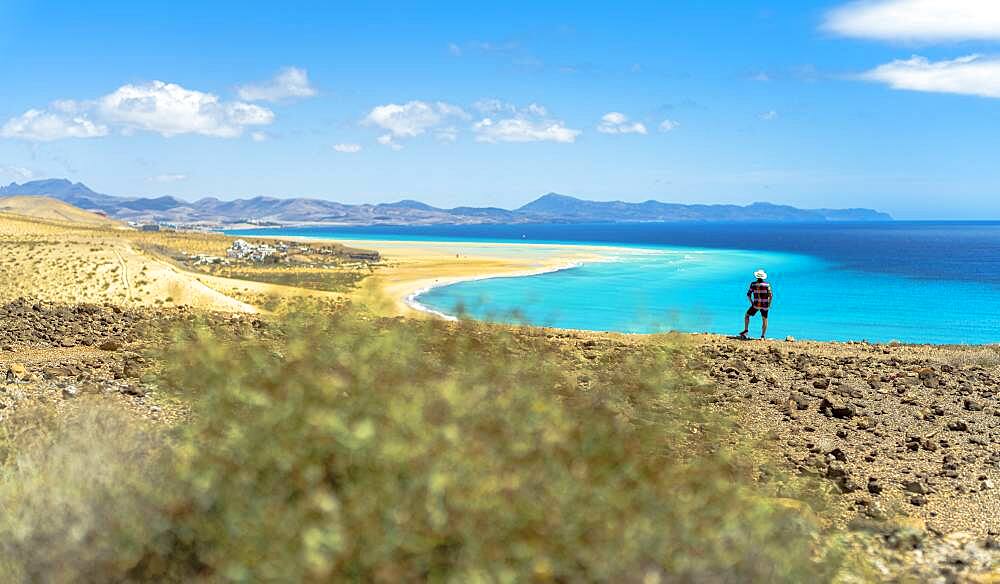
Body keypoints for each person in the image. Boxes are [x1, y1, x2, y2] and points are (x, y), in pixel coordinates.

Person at [740, 269, 772, 340]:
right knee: (764, 320)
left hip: (756, 305)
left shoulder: (753, 284)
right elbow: (771, 295)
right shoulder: (767, 285)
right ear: (763, 277)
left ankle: (746, 330)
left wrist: (752, 303)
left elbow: (748, 295)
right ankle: (762, 336)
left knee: (747, 315)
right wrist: (769, 304)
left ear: (757, 277)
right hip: (765, 305)